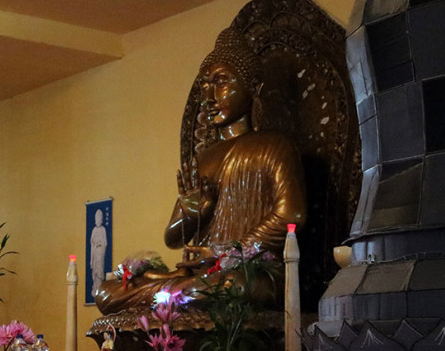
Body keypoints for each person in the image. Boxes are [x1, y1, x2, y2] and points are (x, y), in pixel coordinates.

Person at [94, 27, 306, 315]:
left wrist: (228, 252)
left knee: (224, 286)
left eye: (220, 82)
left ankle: (179, 296)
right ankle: (176, 295)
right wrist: (190, 215)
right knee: (106, 292)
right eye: (205, 86)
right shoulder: (204, 158)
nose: (209, 95)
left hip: (250, 272)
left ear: (253, 87)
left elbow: (291, 214)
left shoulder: (274, 145)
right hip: (199, 273)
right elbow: (173, 238)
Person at [89, 209, 108, 293]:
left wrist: (100, 244)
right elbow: (92, 242)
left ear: (101, 219)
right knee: (95, 271)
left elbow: (105, 242)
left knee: (100, 269)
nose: (98, 220)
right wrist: (94, 244)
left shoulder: (103, 229)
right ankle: (95, 286)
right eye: (97, 218)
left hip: (100, 252)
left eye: (99, 218)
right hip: (95, 252)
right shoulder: (94, 230)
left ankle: (100, 286)